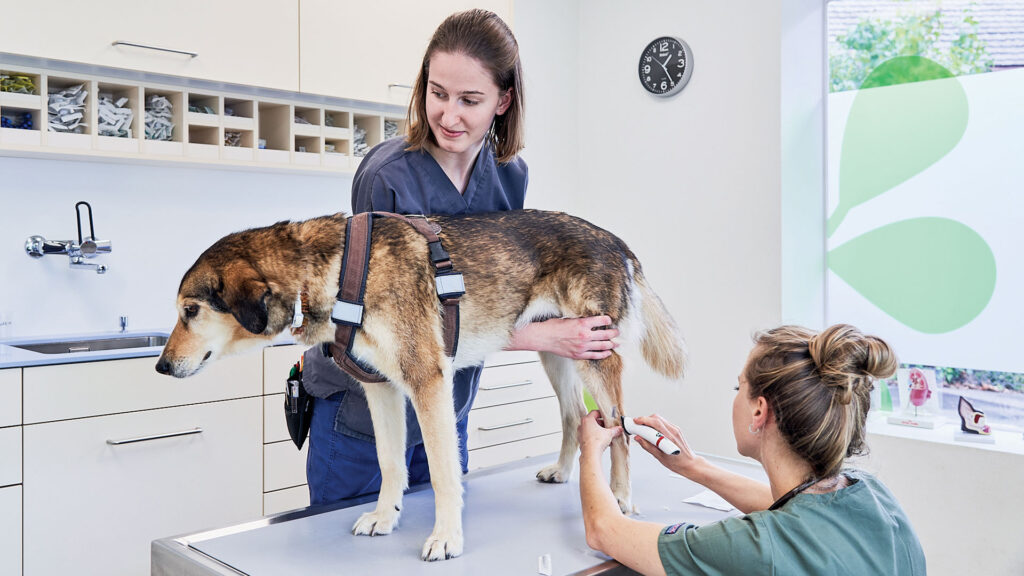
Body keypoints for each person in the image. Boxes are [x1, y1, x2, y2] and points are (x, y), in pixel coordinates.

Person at [301, 8, 619, 506]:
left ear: (503, 100)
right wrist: (541, 335)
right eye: (438, 93)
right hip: (365, 413)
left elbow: (493, 296)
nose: (449, 116)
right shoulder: (386, 178)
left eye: (470, 100)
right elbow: (392, 325)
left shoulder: (509, 177)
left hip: (446, 410)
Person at [578, 324, 927, 575]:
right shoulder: (872, 495)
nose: (734, 397)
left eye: (738, 386)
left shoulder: (755, 549)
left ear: (760, 411)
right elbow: (801, 514)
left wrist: (590, 449)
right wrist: (694, 467)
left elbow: (603, 530)